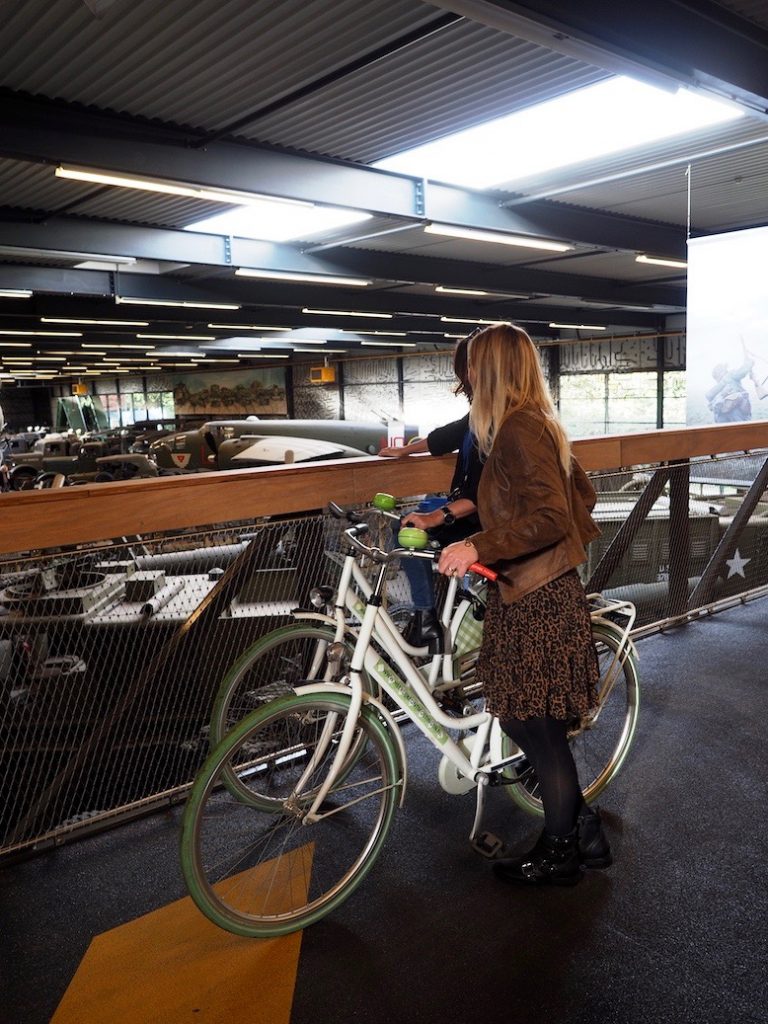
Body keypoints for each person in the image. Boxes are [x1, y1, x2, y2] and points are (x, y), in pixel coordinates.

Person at [436, 322, 609, 886]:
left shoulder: (518, 430)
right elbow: (582, 495)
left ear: (492, 371)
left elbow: (553, 516)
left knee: (537, 724)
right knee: (519, 715)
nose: (466, 377)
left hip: (537, 595)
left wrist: (477, 544)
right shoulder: (531, 423)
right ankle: (580, 830)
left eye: (473, 366)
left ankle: (562, 853)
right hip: (530, 589)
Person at [379, 334, 483, 646]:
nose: (464, 376)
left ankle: (426, 615)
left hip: (480, 520)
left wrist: (435, 517)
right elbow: (444, 437)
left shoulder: (497, 420)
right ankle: (451, 595)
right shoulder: (479, 413)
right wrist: (406, 451)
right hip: (465, 506)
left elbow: (479, 496)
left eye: (467, 367)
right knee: (420, 510)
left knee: (408, 530)